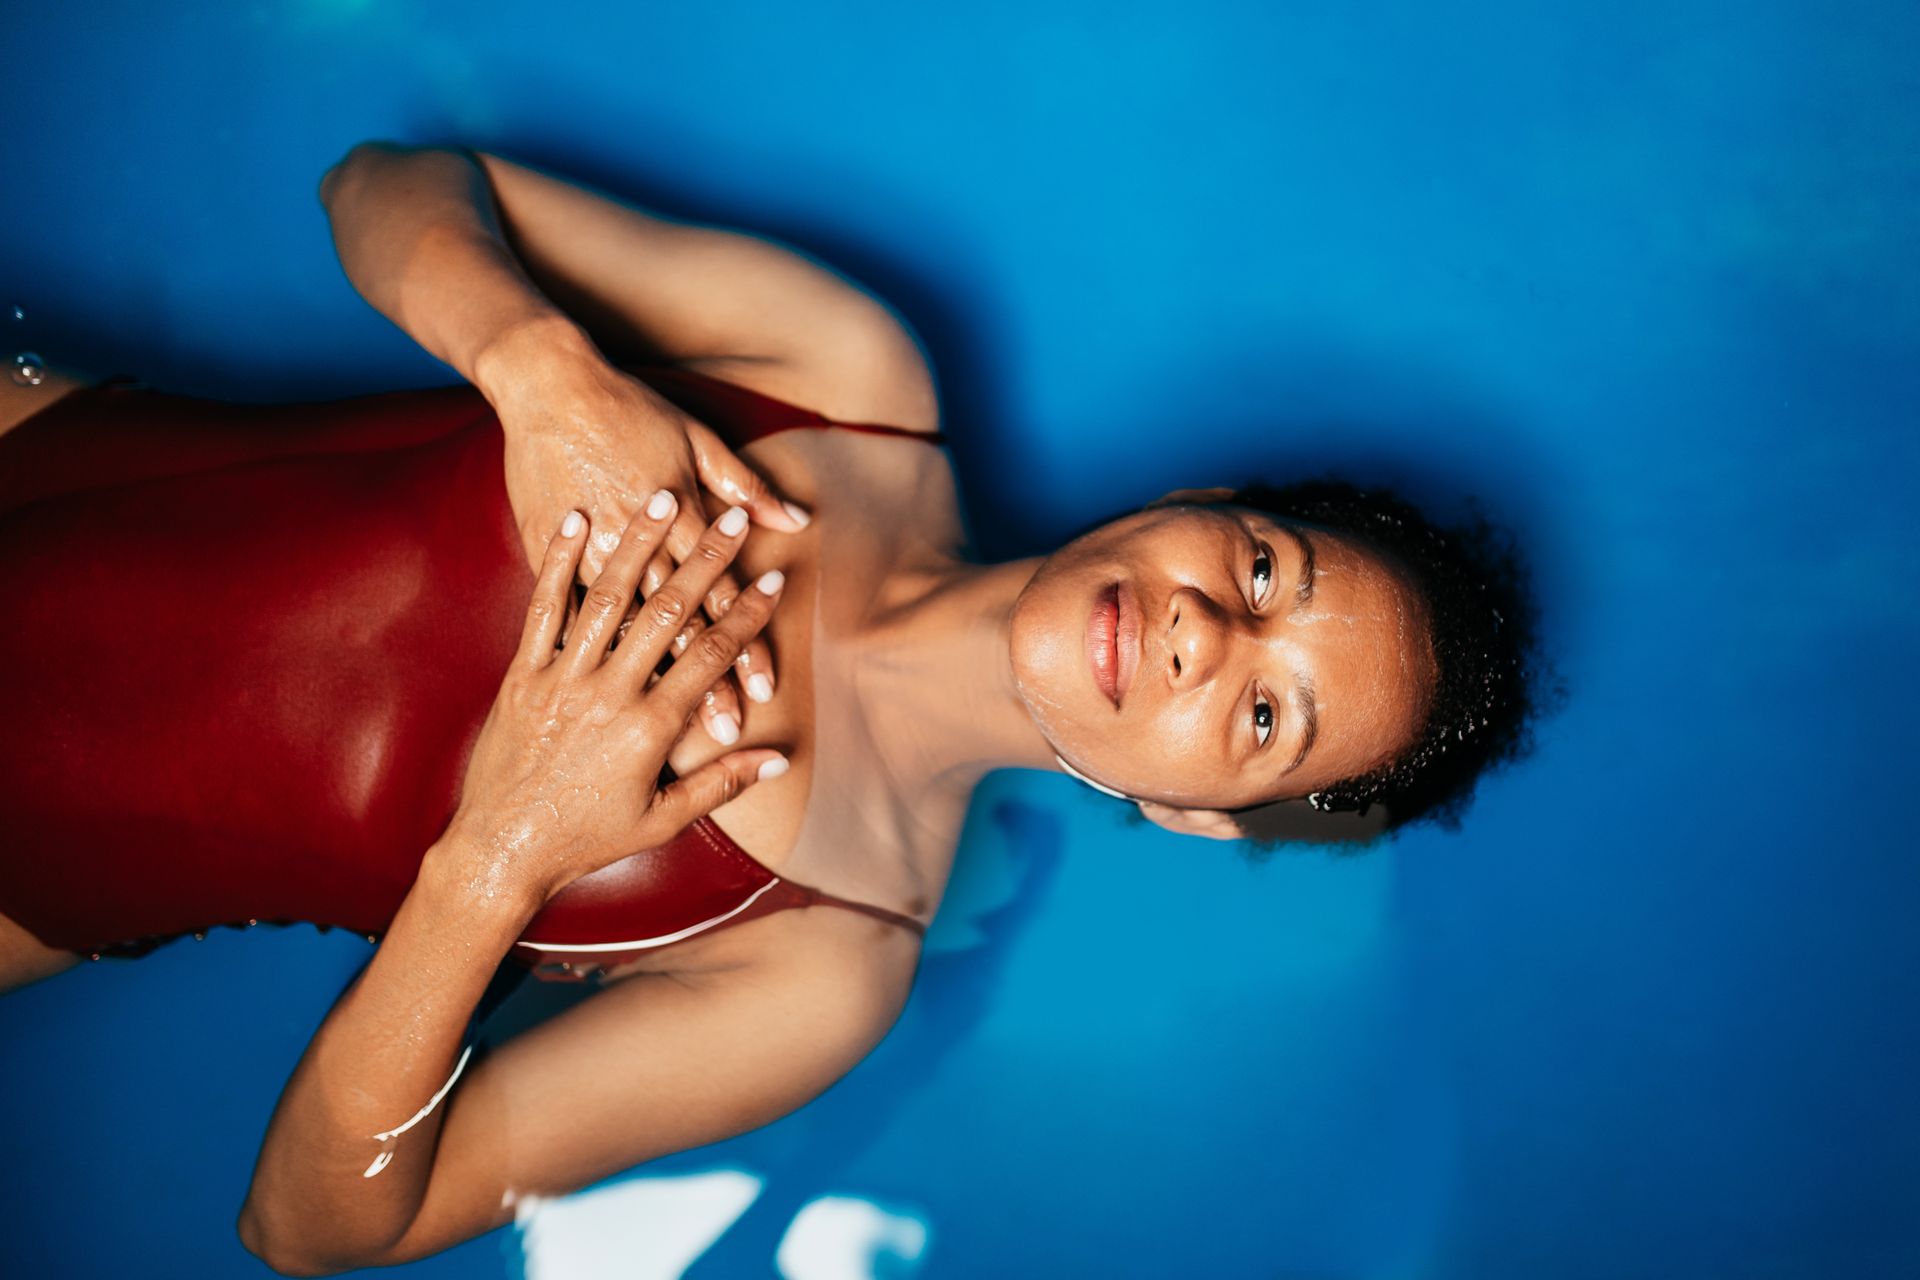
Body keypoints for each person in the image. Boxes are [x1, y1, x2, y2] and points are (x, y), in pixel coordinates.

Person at [0, 143, 1538, 1273]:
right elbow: (382, 185)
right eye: (1264, 568)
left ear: (1191, 814)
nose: (1210, 634)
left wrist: (502, 852)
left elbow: (318, 1223)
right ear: (1205, 501)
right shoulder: (842, 372)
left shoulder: (821, 965)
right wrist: (541, 371)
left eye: (1268, 719)